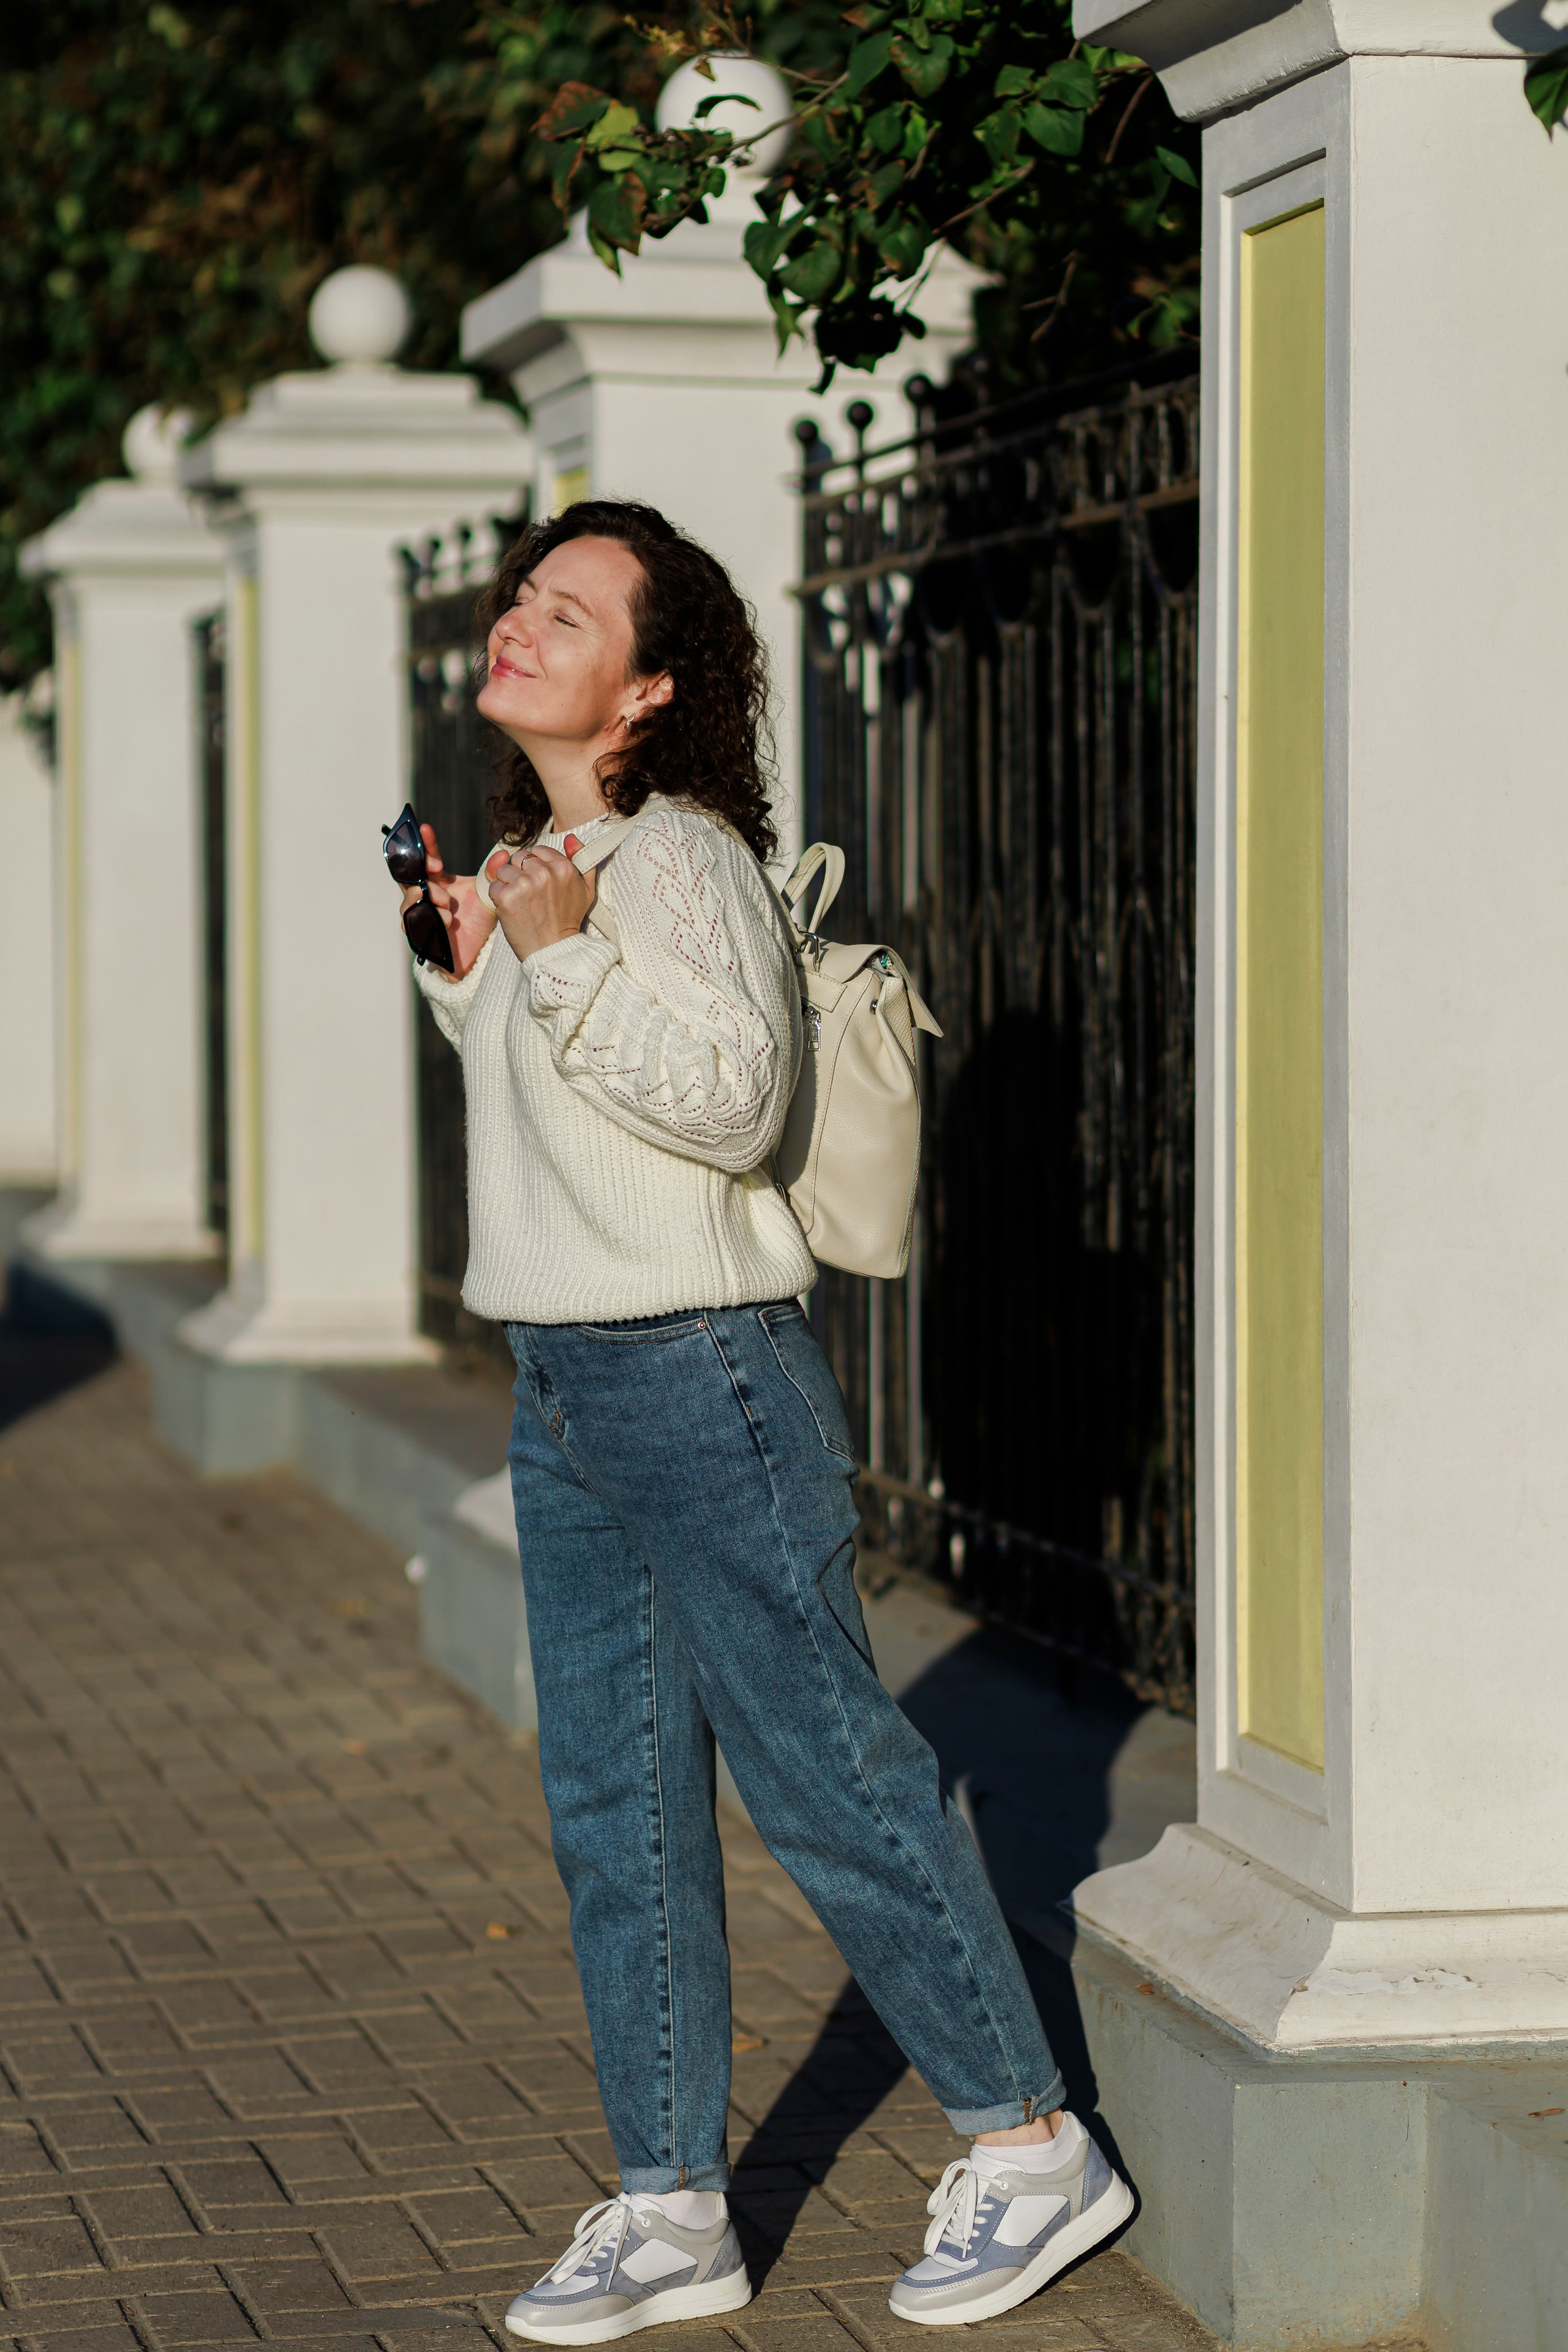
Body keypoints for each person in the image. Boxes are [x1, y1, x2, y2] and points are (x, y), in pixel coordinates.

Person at [393, 499, 1131, 2342]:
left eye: (569, 612)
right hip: (572, 1378)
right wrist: (473, 968)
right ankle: (671, 2210)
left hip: (699, 1369)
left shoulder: (683, 857)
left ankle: (1033, 2143)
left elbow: (734, 1102)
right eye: (522, 597)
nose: (519, 622)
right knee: (614, 1802)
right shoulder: (560, 857)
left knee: (823, 1772)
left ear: (648, 688)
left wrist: (564, 960)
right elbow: (578, 1129)